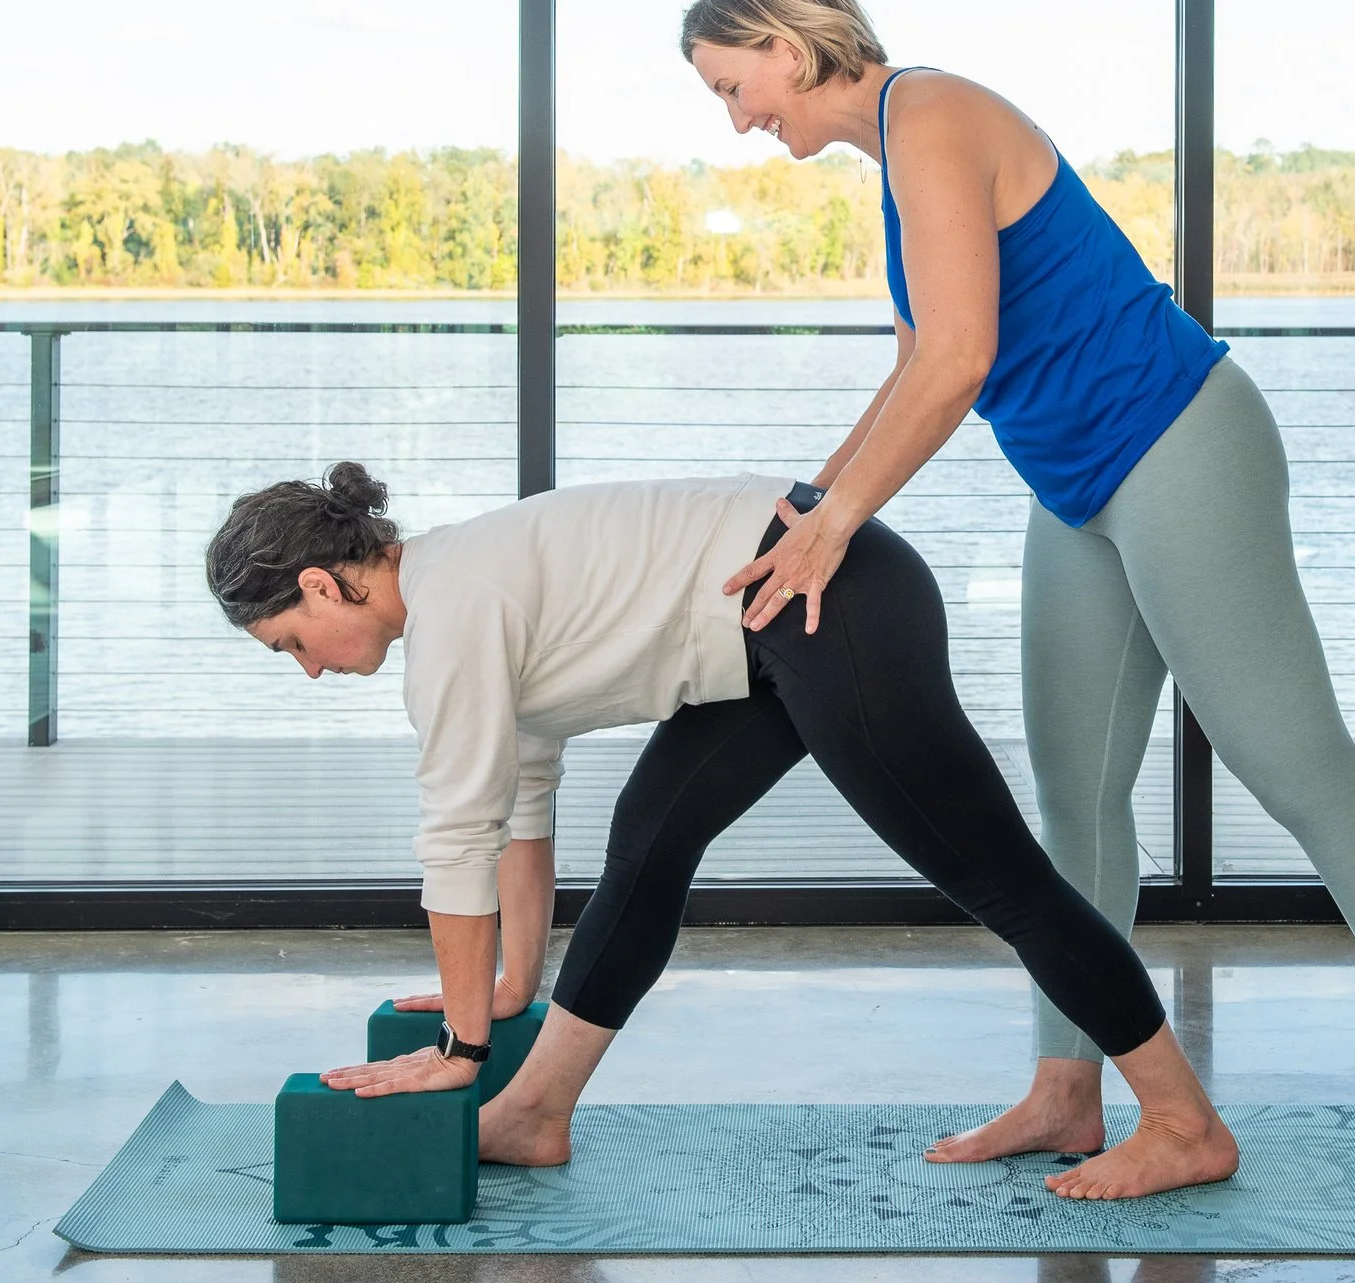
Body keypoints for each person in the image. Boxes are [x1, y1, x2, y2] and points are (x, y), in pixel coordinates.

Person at [682, 0, 1355, 1211]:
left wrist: (837, 526)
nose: (739, 117)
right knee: (1072, 800)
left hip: (1178, 441)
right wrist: (806, 506)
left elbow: (962, 360)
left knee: (1299, 768)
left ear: (787, 48)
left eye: (731, 84)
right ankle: (1069, 1086)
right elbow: (919, 357)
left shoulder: (935, 112)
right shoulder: (898, 163)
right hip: (1076, 486)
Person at [205, 462, 1239, 1201]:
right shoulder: (455, 601)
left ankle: (1185, 1126)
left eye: (292, 641)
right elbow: (514, 813)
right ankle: (534, 1111)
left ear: (320, 582)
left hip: (833, 592)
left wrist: (461, 1044)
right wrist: (508, 988)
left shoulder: (452, 609)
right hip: (758, 635)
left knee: (1002, 879)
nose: (307, 667)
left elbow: (454, 840)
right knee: (648, 837)